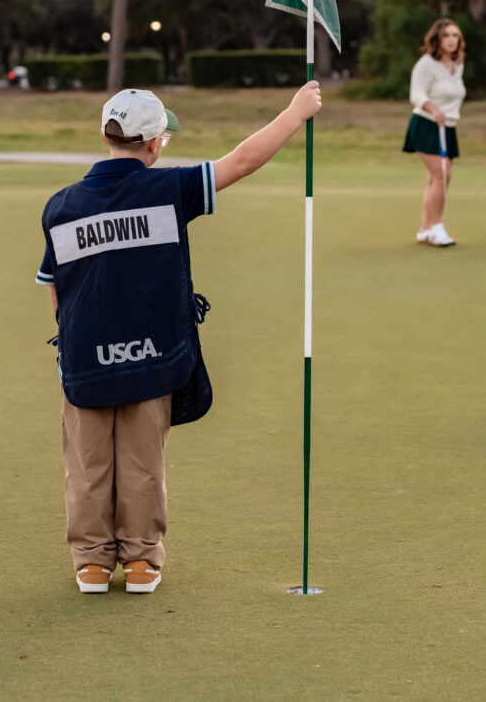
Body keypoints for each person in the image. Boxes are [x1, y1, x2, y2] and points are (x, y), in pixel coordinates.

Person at [35, 82, 322, 594]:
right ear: (154, 144)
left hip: (83, 360)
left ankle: (93, 565)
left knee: (87, 464)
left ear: (105, 136)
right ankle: (142, 563)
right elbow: (241, 161)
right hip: (151, 357)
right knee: (143, 463)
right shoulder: (168, 188)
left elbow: (56, 292)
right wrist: (294, 113)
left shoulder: (61, 206)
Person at [402, 18, 467, 247]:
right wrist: (433, 107)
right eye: (447, 35)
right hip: (426, 123)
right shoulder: (426, 64)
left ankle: (426, 229)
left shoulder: (458, 65)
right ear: (437, 39)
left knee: (436, 179)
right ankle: (438, 228)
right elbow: (416, 94)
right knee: (442, 174)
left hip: (448, 127)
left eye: (455, 36)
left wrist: (445, 112)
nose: (451, 40)